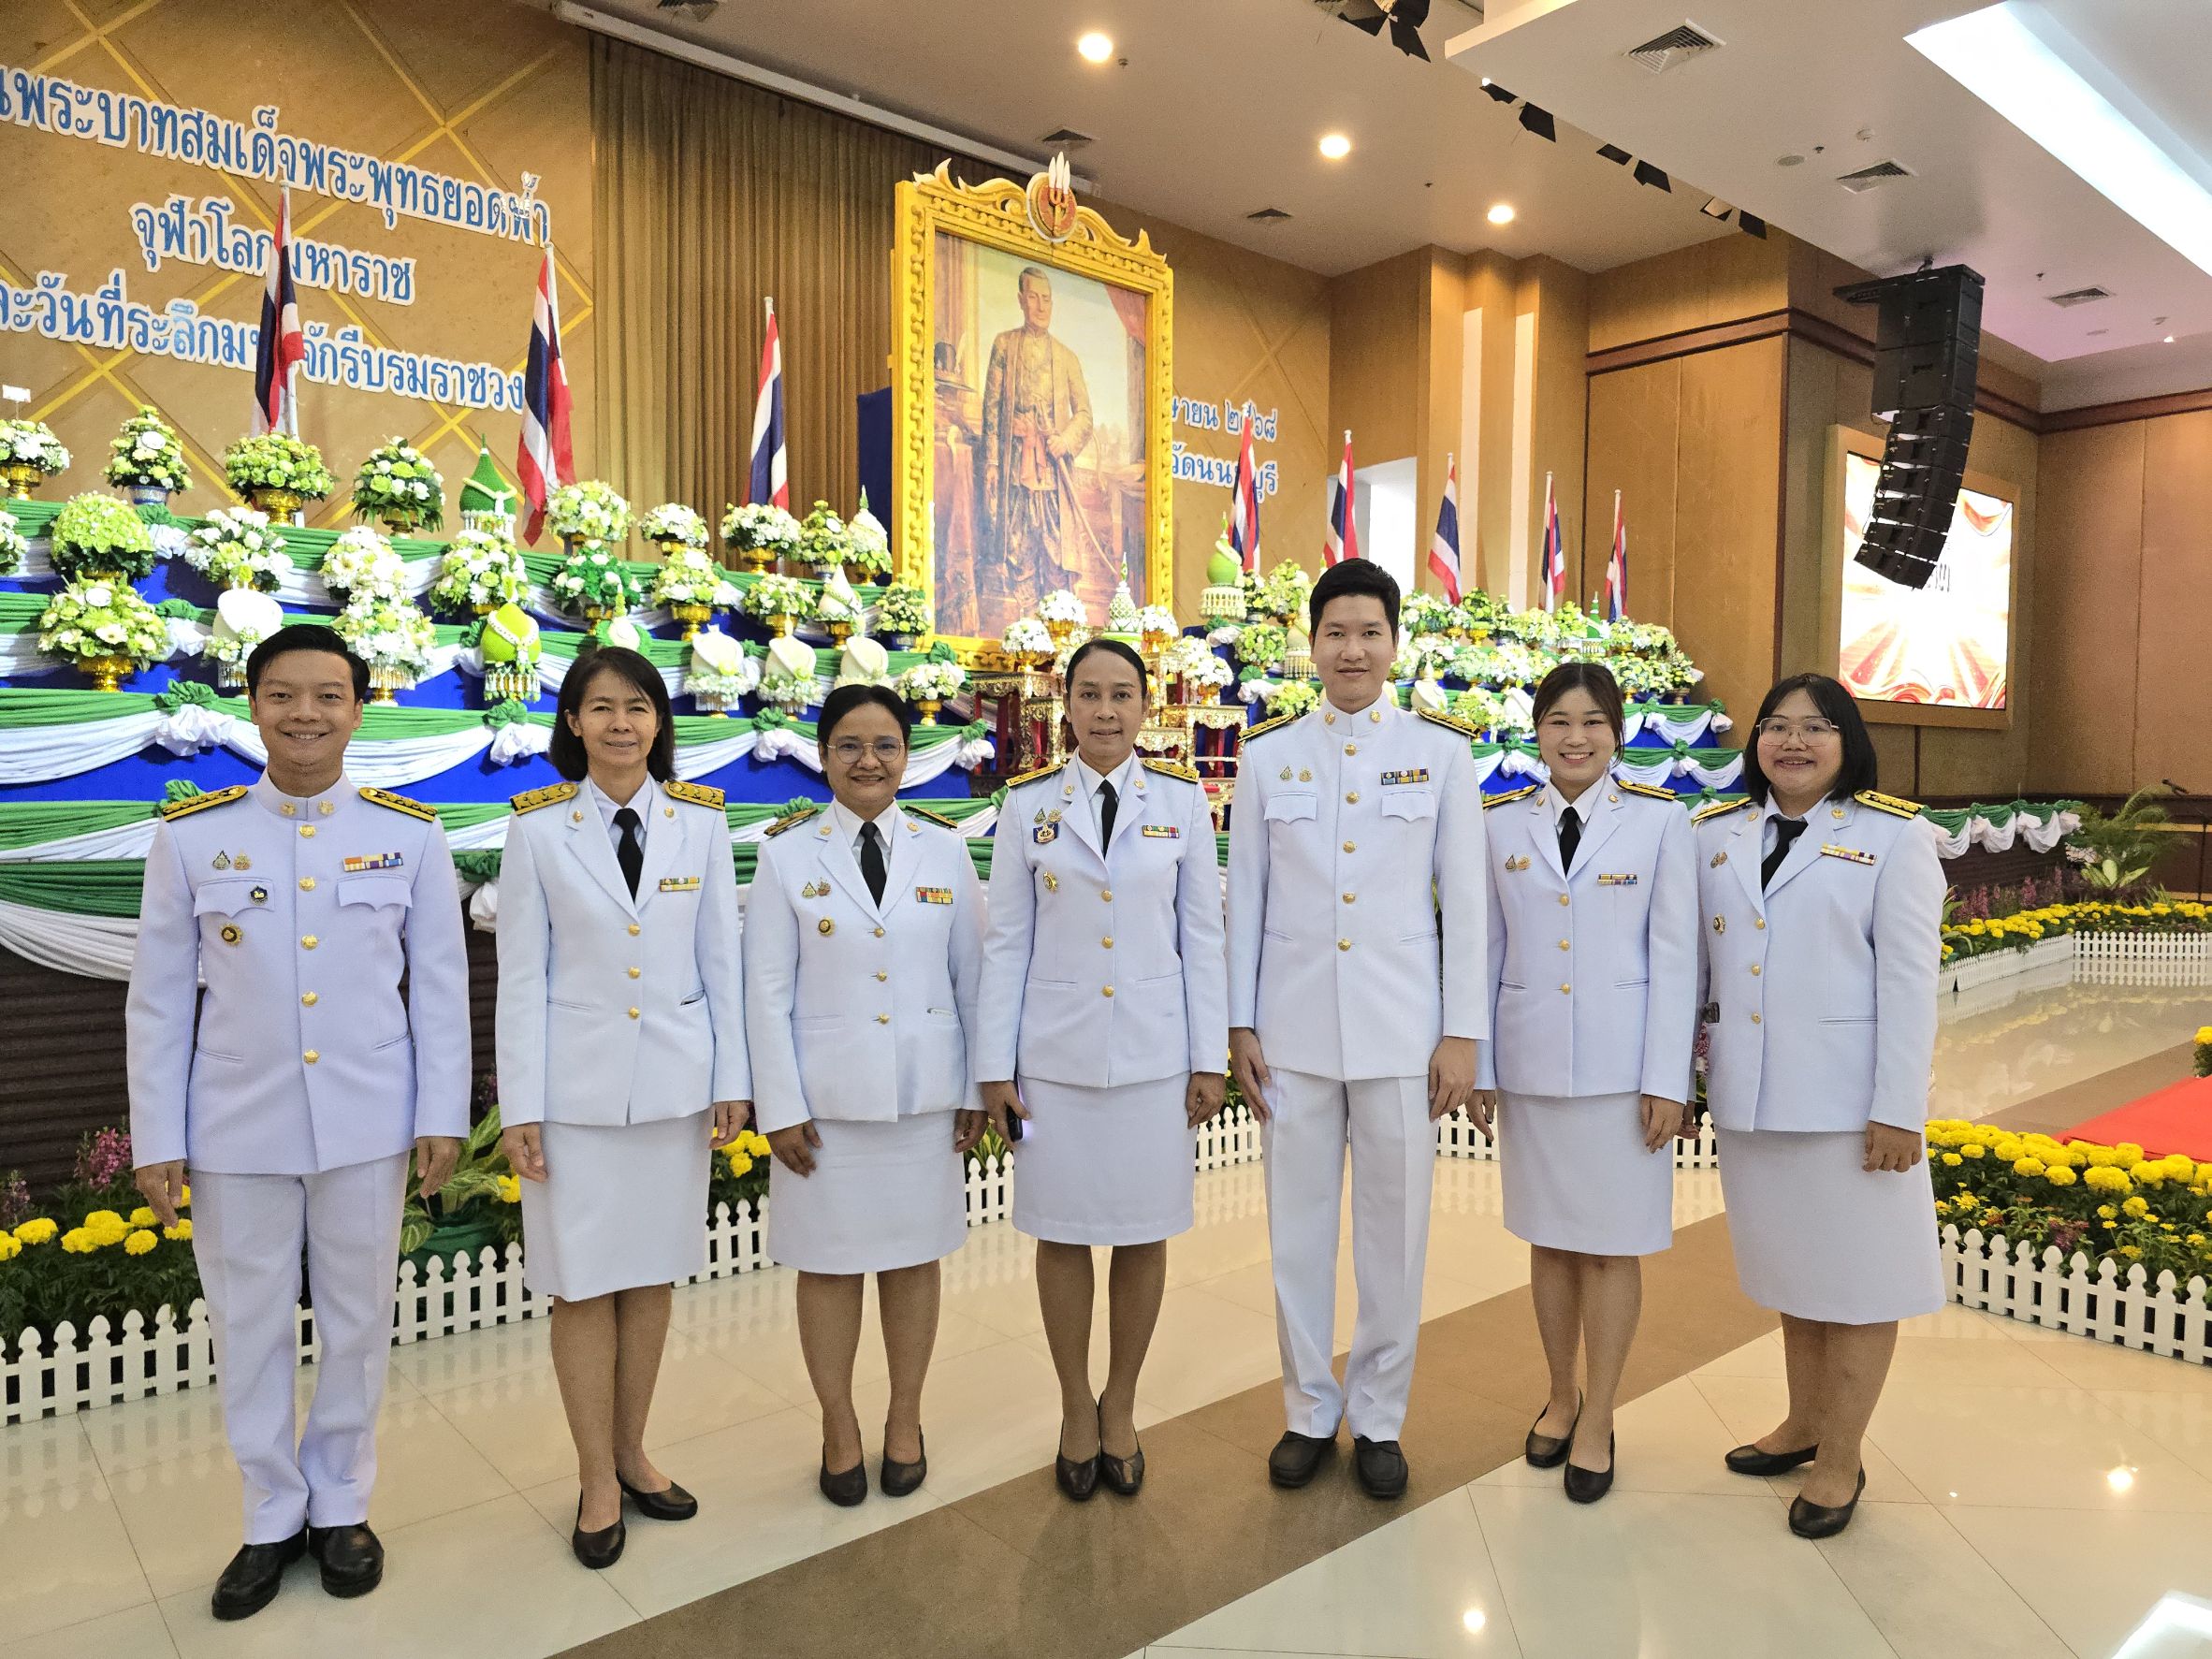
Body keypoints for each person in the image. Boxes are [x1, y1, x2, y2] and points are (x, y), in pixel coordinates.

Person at [127, 624, 470, 1620]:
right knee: (249, 1326)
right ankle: (271, 1513)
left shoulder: (410, 835)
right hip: (235, 1124)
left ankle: (342, 1507)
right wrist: (160, 1134)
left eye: (328, 695)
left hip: (367, 1119)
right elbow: (157, 1001)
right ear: (253, 705)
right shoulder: (192, 837)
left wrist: (440, 1114)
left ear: (360, 708)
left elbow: (439, 993)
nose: (305, 714)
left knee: (359, 1320)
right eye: (284, 695)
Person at [1226, 559, 1487, 1500]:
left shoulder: (1442, 753)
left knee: (1394, 1232)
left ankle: (1378, 1416)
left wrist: (1463, 1033)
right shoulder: (1269, 757)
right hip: (1291, 1034)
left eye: (1369, 632)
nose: (1352, 649)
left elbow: (1465, 901)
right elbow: (1245, 900)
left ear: (1394, 643)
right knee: (1296, 1232)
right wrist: (1239, 1021)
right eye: (1335, 632)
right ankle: (1306, 1410)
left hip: (1401, 1033)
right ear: (1312, 643)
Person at [495, 646, 749, 1568]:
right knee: (581, 1284)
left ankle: (635, 1452)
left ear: (658, 721)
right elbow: (521, 979)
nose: (620, 724)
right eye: (600, 708)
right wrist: (520, 1101)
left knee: (650, 1278)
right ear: (572, 723)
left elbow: (721, 960)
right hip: (575, 1095)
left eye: (636, 707)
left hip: (676, 1090)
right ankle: (595, 1476)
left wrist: (732, 1078)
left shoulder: (702, 825)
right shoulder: (536, 831)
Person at [1695, 672, 1944, 1539]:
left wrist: (1899, 1107)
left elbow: (1910, 983)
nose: (1792, 742)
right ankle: (1804, 1424)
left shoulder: (1892, 838)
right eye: (1776, 726)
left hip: (1850, 1107)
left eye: (1815, 727)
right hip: (1755, 1101)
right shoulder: (1718, 835)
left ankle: (1843, 1455)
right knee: (1795, 1276)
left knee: (1862, 1283)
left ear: (1848, 741)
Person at [977, 639, 1228, 1501]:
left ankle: (1119, 1403)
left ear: (1146, 704)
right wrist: (995, 1067)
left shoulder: (1184, 803)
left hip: (1156, 1057)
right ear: (1067, 702)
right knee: (1062, 1230)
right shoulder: (1028, 807)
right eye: (1090, 694)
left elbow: (1204, 936)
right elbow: (1006, 941)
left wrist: (1209, 1057)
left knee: (1143, 1230)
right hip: (1054, 1060)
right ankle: (1072, 1407)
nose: (1107, 711)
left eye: (1123, 694)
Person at [743, 684, 988, 1505]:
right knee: (829, 1267)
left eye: (885, 744)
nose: (868, 760)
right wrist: (777, 1105)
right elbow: (765, 992)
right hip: (824, 1109)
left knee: (914, 1262)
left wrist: (977, 1088)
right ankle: (839, 1420)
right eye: (849, 744)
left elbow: (973, 977)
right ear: (823, 756)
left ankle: (905, 1418)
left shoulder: (945, 849)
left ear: (908, 756)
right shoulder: (784, 854)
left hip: (925, 1099)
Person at [1470, 662, 1698, 1505]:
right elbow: (1487, 953)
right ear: (1536, 730)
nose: (1575, 737)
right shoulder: (1499, 825)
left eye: (1593, 721)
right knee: (1552, 1241)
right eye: (1559, 720)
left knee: (1611, 1246)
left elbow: (1677, 959)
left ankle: (1599, 1411)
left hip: (1622, 1074)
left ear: (1620, 728)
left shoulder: (1659, 823)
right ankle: (1558, 1393)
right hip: (1531, 1070)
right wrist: (1485, 1066)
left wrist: (1667, 1079)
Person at [977, 263, 1094, 633]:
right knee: (1018, 545)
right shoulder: (1004, 345)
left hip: (1053, 474)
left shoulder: (1067, 357)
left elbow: (1085, 415)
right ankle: (1025, 627)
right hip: (1015, 468)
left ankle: (1056, 628)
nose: (1040, 306)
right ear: (1021, 300)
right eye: (1033, 298)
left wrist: (1065, 439)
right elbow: (991, 410)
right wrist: (993, 461)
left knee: (1055, 551)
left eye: (1046, 299)